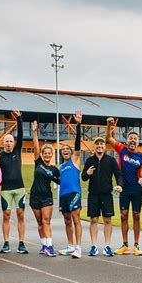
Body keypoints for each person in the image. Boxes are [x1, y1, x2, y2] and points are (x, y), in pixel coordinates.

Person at [106, 119, 142, 255]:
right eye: (131, 138)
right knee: (123, 216)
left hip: (136, 189)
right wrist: (109, 126)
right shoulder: (121, 149)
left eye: (135, 138)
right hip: (124, 188)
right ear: (127, 141)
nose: (133, 140)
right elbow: (108, 138)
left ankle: (137, 245)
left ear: (138, 142)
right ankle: (125, 245)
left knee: (136, 215)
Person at [81, 136, 123, 256]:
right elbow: (83, 177)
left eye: (101, 144)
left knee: (107, 220)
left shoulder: (110, 160)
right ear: (94, 147)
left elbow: (118, 174)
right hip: (93, 194)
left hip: (106, 194)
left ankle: (107, 246)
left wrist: (119, 185)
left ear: (104, 147)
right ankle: (93, 246)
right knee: (93, 219)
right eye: (97, 144)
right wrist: (87, 173)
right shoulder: (89, 161)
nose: (99, 146)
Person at [0, 110, 28, 254]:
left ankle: (21, 243)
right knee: (6, 215)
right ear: (3, 143)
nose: (9, 143)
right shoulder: (0, 156)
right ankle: (6, 243)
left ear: (14, 142)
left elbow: (21, 134)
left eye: (11, 141)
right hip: (5, 190)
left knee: (21, 214)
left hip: (20, 189)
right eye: (7, 141)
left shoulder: (17, 151)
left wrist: (19, 119)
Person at [30, 120, 60, 256]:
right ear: (42, 154)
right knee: (39, 222)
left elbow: (61, 181)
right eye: (45, 153)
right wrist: (35, 132)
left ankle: (50, 246)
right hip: (34, 196)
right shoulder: (38, 163)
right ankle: (43, 245)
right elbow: (35, 146)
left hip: (47, 197)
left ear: (52, 155)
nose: (47, 155)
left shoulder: (54, 170)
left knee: (46, 221)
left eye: (49, 153)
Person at [58, 111, 83, 259]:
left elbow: (78, 144)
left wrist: (78, 124)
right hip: (63, 195)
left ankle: (78, 248)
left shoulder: (75, 160)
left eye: (67, 150)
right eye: (63, 150)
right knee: (67, 221)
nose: (65, 151)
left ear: (72, 152)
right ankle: (70, 246)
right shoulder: (61, 166)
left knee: (76, 220)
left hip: (74, 193)